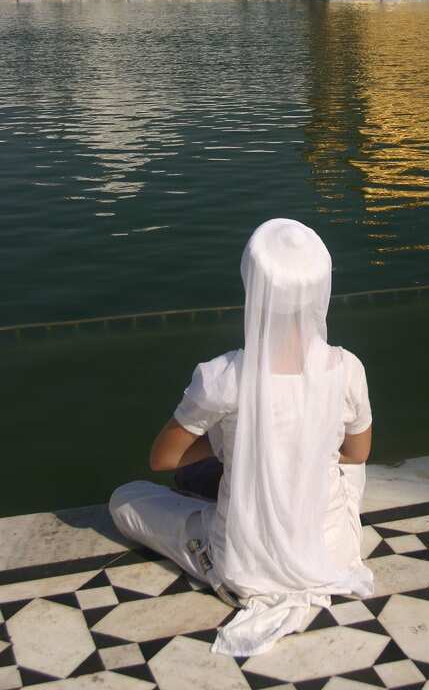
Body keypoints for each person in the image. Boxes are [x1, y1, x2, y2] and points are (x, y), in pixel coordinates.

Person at [109, 218, 373, 657]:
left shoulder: (222, 378)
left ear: (252, 283)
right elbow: (357, 453)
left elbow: (163, 459)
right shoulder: (346, 368)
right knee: (343, 470)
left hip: (245, 563)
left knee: (125, 498)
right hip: (333, 550)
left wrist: (229, 444)